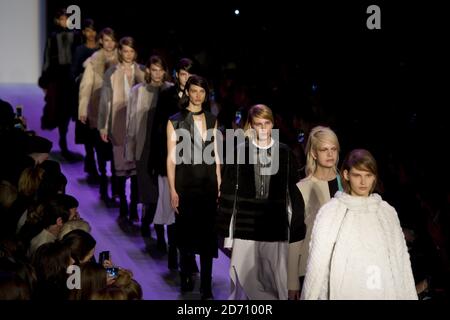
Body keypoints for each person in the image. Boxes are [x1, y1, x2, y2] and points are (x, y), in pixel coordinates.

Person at [301, 149, 418, 300]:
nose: (363, 182)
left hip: (383, 291)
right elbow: (317, 264)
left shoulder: (386, 213)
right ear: (346, 175)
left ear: (374, 177)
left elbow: (401, 263)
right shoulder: (331, 212)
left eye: (368, 175)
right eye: (357, 175)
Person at [216, 104, 305, 300]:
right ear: (251, 125)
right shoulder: (240, 151)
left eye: (267, 123)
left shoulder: (284, 152)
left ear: (273, 125)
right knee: (243, 277)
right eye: (258, 124)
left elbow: (292, 193)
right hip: (246, 226)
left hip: (275, 224)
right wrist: (229, 233)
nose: (263, 128)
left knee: (276, 277)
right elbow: (231, 191)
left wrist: (294, 226)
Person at [166, 75, 221, 300]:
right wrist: (172, 189)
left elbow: (216, 153)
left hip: (207, 183)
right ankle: (186, 273)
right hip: (185, 182)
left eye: (202, 92)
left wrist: (219, 182)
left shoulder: (211, 118)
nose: (198, 95)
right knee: (186, 232)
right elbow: (170, 157)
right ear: (187, 92)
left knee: (208, 236)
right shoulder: (175, 120)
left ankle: (206, 286)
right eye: (194, 90)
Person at [148, 57, 199, 269]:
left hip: (191, 162)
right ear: (177, 74)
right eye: (183, 73)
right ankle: (172, 251)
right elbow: (157, 129)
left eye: (189, 74)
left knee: (188, 211)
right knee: (171, 207)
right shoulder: (167, 95)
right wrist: (155, 161)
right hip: (169, 159)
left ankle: (187, 256)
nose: (185, 78)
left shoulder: (198, 97)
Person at [287, 125, 342, 299]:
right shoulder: (302, 188)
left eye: (333, 149)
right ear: (314, 153)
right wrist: (292, 281)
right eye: (324, 149)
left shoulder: (347, 185)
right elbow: (295, 236)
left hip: (342, 267)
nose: (330, 154)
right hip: (310, 267)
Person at [125, 55, 172, 247]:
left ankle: (160, 233)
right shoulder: (138, 91)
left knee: (164, 193)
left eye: (161, 69)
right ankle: (147, 222)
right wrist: (131, 149)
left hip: (165, 147)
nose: (158, 73)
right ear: (148, 71)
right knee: (150, 191)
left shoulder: (170, 91)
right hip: (145, 146)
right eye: (154, 69)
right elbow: (131, 121)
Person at [98, 37, 145, 221]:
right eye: (125, 51)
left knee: (135, 170)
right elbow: (105, 100)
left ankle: (133, 206)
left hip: (137, 125)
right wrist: (103, 126)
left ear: (135, 53)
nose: (128, 54)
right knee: (120, 167)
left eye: (131, 51)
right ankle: (123, 203)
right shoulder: (112, 72)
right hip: (118, 123)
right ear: (120, 52)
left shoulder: (142, 71)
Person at [78, 27, 119, 207]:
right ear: (101, 41)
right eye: (106, 40)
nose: (109, 43)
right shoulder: (93, 61)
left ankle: (116, 188)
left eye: (112, 40)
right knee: (101, 150)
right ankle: (104, 185)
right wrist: (82, 109)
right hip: (98, 109)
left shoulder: (124, 59)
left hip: (118, 112)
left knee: (117, 151)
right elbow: (86, 87)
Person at [38, 8, 82, 160]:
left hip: (72, 79)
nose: (65, 22)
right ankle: (63, 142)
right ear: (57, 21)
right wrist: (45, 80)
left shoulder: (76, 36)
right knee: (61, 111)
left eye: (67, 19)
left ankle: (68, 140)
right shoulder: (52, 37)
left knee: (71, 110)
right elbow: (47, 59)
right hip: (58, 79)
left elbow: (79, 56)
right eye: (62, 19)